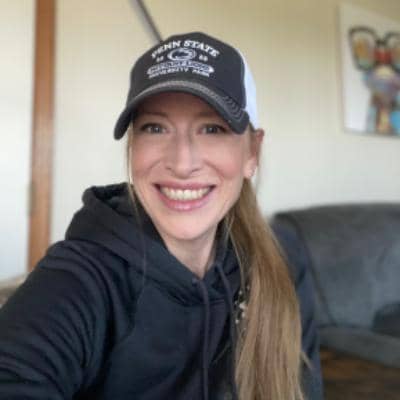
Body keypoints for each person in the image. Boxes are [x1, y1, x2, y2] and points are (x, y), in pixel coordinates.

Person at [0, 32, 323, 400]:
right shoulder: (83, 277)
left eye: (212, 129)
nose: (182, 163)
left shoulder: (283, 258)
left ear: (253, 153)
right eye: (155, 128)